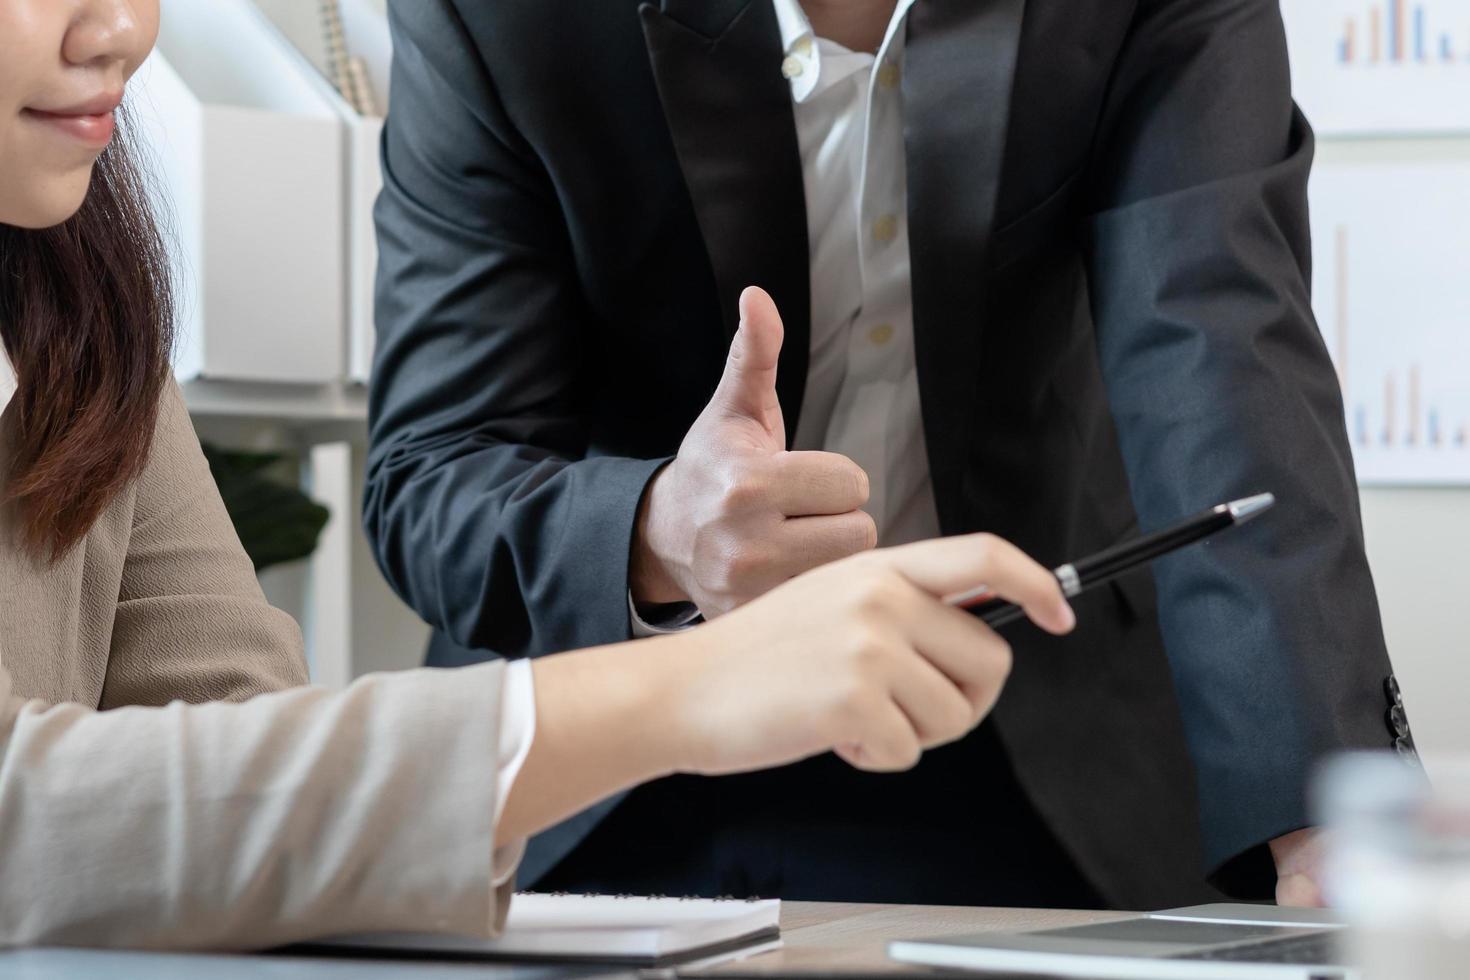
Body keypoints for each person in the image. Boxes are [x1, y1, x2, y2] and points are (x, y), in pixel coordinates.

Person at [0, 0, 1079, 950]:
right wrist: (688, 686)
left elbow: (263, 807)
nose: (125, 30)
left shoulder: (84, 320)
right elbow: (27, 819)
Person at [367, 0, 1414, 911]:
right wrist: (654, 533)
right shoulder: (495, 13)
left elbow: (1222, 360)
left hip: (1026, 744)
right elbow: (436, 469)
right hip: (617, 757)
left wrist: (1322, 811)